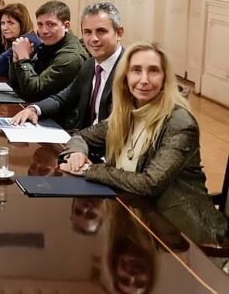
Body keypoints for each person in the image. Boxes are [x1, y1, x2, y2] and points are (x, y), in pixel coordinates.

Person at [60, 42, 228, 245]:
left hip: (181, 237)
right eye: (136, 70)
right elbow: (82, 137)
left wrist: (91, 170)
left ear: (165, 78)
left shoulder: (179, 123)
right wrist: (77, 153)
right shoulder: (125, 114)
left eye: (154, 71)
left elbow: (150, 183)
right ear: (125, 78)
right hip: (135, 224)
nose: (144, 80)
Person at [12, 2, 124, 129]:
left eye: (101, 31)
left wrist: (79, 140)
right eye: (87, 32)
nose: (93, 39)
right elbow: (62, 99)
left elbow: (112, 125)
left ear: (119, 33)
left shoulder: (129, 70)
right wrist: (33, 109)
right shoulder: (90, 65)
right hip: (83, 140)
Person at [7, 0, 88, 101]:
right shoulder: (48, 46)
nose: (43, 31)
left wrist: (23, 59)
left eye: (50, 24)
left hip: (60, 115)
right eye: (40, 24)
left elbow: (34, 93)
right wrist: (16, 60)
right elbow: (19, 88)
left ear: (66, 26)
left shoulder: (70, 57)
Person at [0, 3, 41, 76]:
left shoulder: (26, 40)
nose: (4, 28)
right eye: (2, 23)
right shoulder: (27, 37)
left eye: (10, 23)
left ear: (22, 24)